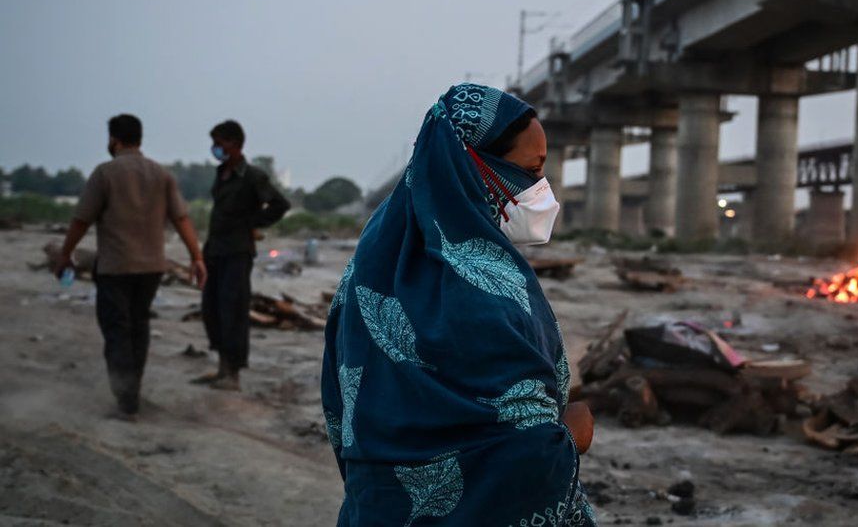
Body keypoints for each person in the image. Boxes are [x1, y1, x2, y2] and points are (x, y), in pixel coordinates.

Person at [321, 84, 596, 526]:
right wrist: (569, 435)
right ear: (473, 167)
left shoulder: (369, 265)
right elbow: (520, 452)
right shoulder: (484, 288)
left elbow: (346, 408)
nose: (541, 190)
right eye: (531, 169)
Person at [55, 114, 207, 419]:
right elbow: (182, 219)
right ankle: (132, 392)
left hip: (115, 267)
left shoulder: (105, 173)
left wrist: (65, 254)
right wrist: (197, 257)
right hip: (151, 268)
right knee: (139, 327)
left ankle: (126, 399)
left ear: (114, 139)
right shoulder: (160, 174)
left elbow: (82, 219)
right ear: (139, 138)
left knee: (117, 331)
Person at [194, 120, 290, 390]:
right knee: (211, 308)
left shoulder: (252, 176)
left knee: (232, 310)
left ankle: (233, 374)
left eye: (219, 143)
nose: (215, 149)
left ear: (234, 144)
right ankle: (222, 367)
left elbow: (280, 204)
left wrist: (252, 223)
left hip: (237, 252)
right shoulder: (221, 173)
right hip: (215, 250)